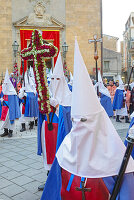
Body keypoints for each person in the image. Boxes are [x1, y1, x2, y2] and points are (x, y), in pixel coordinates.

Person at [41, 38, 134, 200]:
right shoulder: (65, 152)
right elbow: (52, 192)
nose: (81, 128)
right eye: (76, 122)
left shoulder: (117, 158)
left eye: (86, 122)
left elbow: (127, 194)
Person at [37, 52, 72, 190]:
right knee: (48, 155)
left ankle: (62, 182)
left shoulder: (68, 96)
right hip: (47, 129)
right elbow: (41, 113)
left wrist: (57, 106)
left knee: (60, 155)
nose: (54, 81)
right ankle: (49, 180)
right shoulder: (48, 93)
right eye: (52, 78)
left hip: (60, 132)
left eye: (57, 78)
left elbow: (69, 116)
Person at [0, 69, 21, 137]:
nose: (5, 85)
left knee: (10, 120)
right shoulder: (4, 91)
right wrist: (1, 99)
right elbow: (2, 97)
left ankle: (10, 132)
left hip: (10, 109)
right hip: (4, 109)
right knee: (4, 121)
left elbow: (15, 103)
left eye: (6, 84)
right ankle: (5, 131)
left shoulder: (13, 93)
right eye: (4, 84)